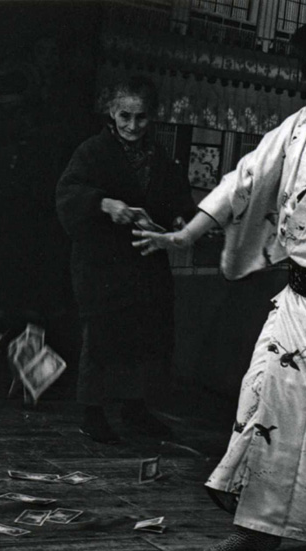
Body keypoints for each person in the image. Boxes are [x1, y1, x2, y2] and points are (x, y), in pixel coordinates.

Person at [132, 6, 306, 551]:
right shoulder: (299, 125)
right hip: (298, 303)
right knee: (263, 403)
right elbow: (243, 178)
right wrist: (185, 235)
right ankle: (257, 528)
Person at [56, 75, 195, 443]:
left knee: (146, 337)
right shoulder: (92, 151)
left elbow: (177, 200)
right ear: (111, 112)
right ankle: (93, 412)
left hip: (146, 263)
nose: (133, 126)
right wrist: (104, 204)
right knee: (102, 338)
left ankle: (135, 409)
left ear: (153, 116)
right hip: (101, 263)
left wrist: (180, 220)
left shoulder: (159, 157)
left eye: (141, 117)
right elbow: (68, 192)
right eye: (125, 116)